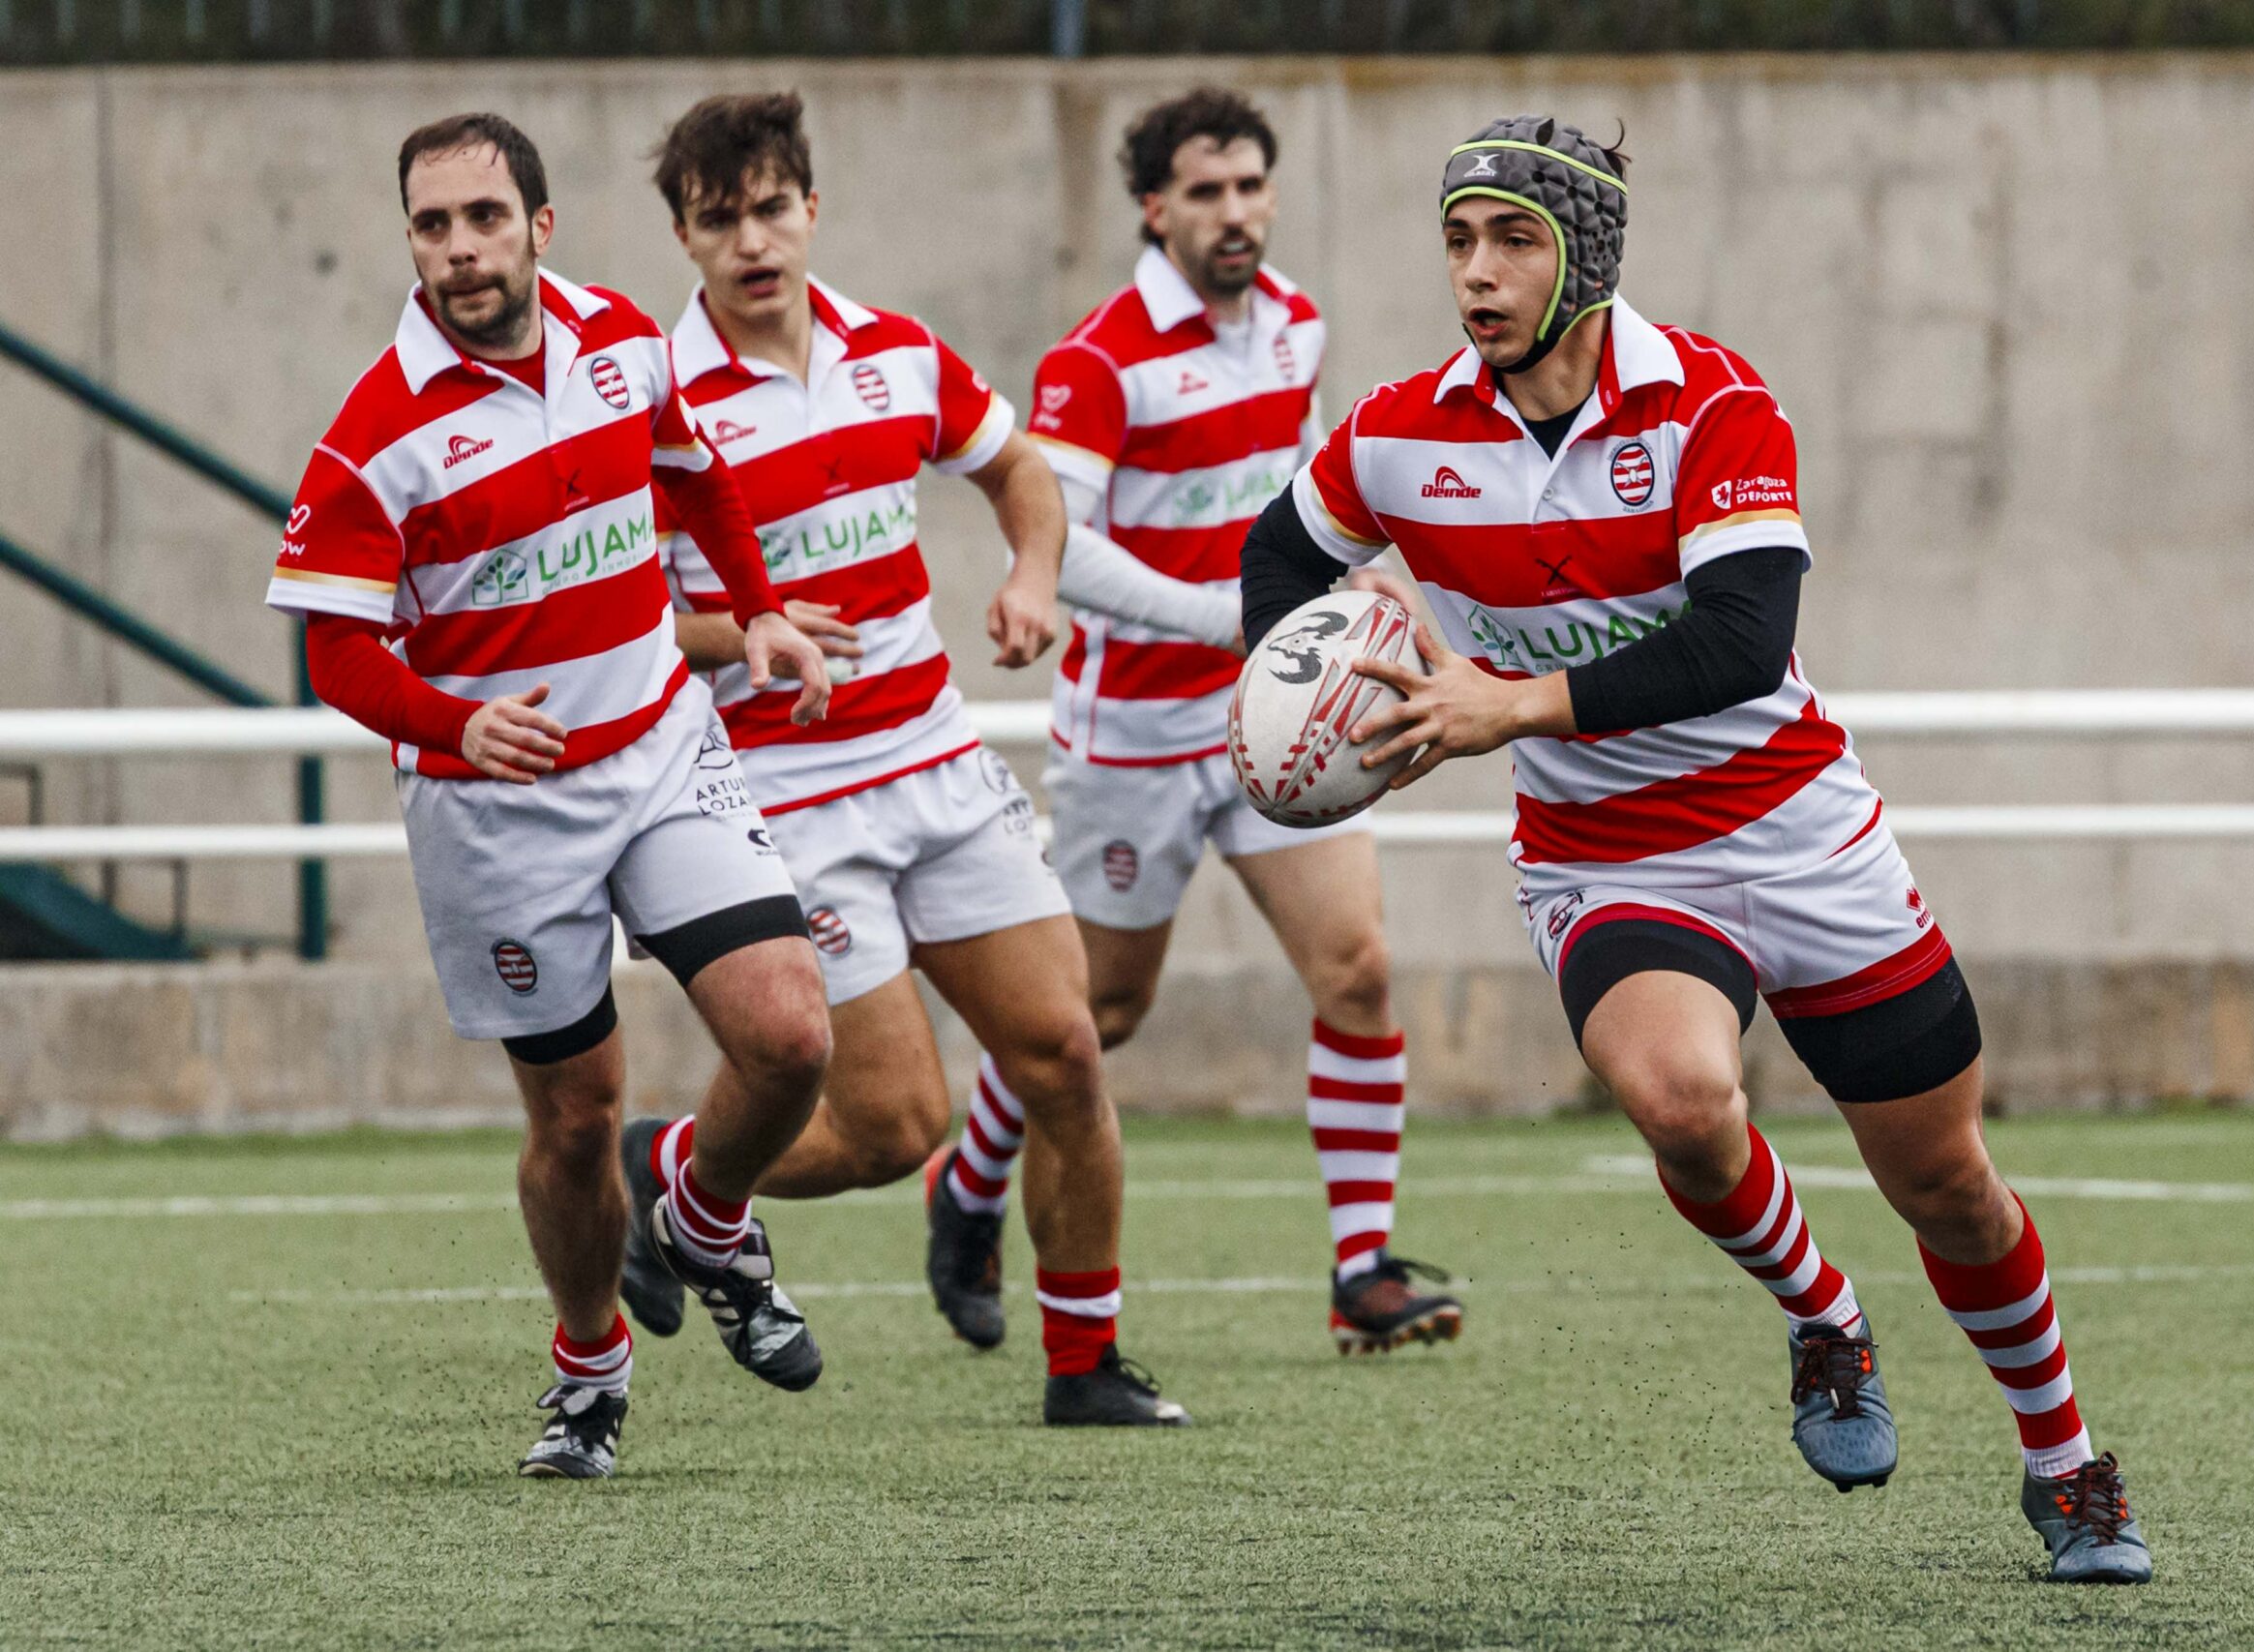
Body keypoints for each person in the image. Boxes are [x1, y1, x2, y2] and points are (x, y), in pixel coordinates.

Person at [1237, 114, 2153, 1584]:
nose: (1476, 272)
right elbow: (1283, 558)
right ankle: (1824, 1315)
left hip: (1800, 834)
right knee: (1678, 1099)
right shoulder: (1402, 434)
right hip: (1608, 858)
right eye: (1460, 239)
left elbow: (1743, 641)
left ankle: (2067, 1462)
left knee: (1951, 1185)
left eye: (1514, 238)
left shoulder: (1714, 406)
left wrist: (1508, 704)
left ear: (1587, 252)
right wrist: (1326, 706)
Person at [267, 112, 839, 1479]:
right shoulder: (372, 439)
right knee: (578, 1118)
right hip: (497, 813)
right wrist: (460, 726)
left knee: (793, 1039)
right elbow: (334, 652)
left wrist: (756, 614)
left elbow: (696, 481)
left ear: (540, 225)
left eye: (483, 217)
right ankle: (589, 1371)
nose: (461, 250)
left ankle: (703, 1217)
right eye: (432, 224)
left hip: (658, 747)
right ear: (411, 239)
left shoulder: (624, 340)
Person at [616, 92, 1187, 1426]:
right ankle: (676, 1176)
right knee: (891, 1129)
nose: (752, 240)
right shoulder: (656, 399)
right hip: (790, 791)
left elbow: (1019, 469)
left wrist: (1035, 576)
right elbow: (611, 604)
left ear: (811, 209)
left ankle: (1083, 1366)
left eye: (771, 208)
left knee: (1064, 1055)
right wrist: (732, 626)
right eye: (719, 219)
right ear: (686, 241)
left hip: (936, 761)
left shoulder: (898, 355)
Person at [946, 85, 1461, 1357]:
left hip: (1279, 723)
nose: (1235, 213)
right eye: (1206, 192)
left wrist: (1354, 584)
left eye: (1251, 187)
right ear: (1154, 208)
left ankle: (1362, 1271)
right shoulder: (1098, 358)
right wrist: (1221, 614)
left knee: (1358, 970)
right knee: (1100, 1016)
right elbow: (1053, 546)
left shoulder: (1294, 325)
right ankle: (966, 1189)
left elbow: (1303, 481)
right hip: (1133, 735)